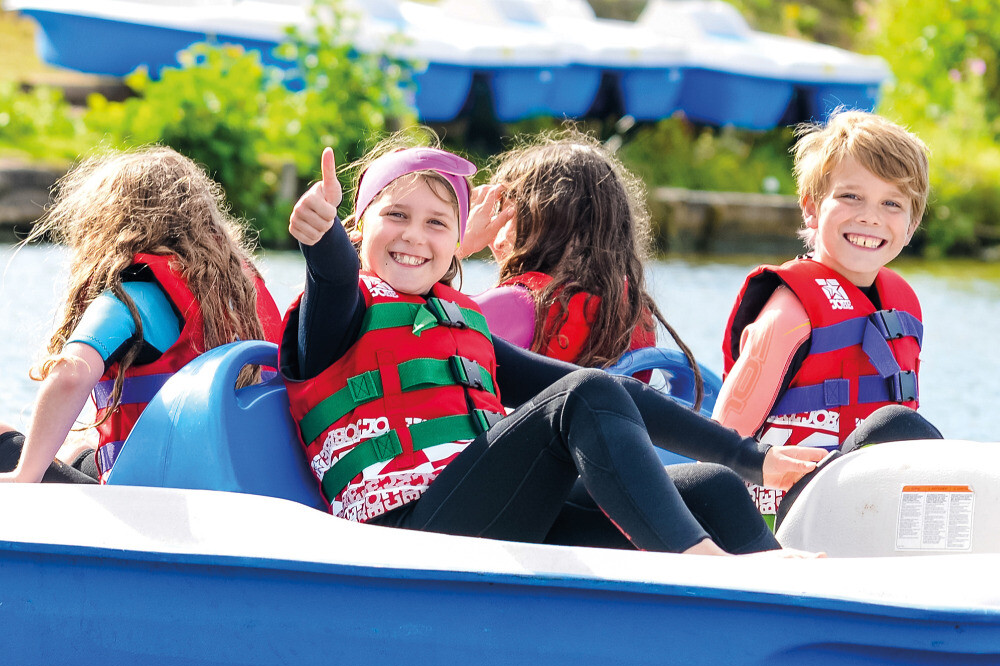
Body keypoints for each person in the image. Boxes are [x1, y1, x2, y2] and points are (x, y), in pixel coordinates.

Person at [280, 138, 826, 556]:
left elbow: (619, 396)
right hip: (406, 532)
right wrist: (321, 235)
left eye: (435, 223)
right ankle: (700, 565)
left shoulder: (463, 323)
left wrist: (750, 457)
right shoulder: (337, 315)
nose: (413, 235)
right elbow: (333, 277)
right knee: (582, 392)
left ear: (455, 244)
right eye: (394, 215)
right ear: (358, 226)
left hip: (483, 514)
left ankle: (776, 605)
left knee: (713, 487)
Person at [0, 145, 282, 484]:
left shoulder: (135, 294)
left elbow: (71, 375)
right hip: (238, 491)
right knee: (79, 442)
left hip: (151, 505)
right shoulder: (247, 292)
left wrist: (25, 474)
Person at [714, 110, 939, 524]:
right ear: (811, 208)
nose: (870, 216)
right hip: (781, 519)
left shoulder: (902, 303)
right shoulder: (791, 313)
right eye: (851, 196)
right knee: (898, 423)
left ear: (911, 226)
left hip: (866, 511)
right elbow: (722, 438)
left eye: (891, 203)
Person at [460, 131, 703, 405]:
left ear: (539, 222)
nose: (495, 235)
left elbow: (419, 331)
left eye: (503, 215)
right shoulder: (634, 313)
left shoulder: (519, 304)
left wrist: (458, 248)